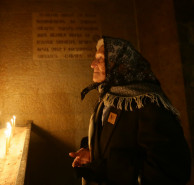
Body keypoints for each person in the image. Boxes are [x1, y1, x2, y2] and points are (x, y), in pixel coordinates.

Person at [69, 36, 191, 185]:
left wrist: (105, 168)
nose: (92, 64)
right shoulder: (109, 98)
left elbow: (170, 169)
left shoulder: (148, 104)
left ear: (121, 65)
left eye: (101, 59)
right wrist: (91, 152)